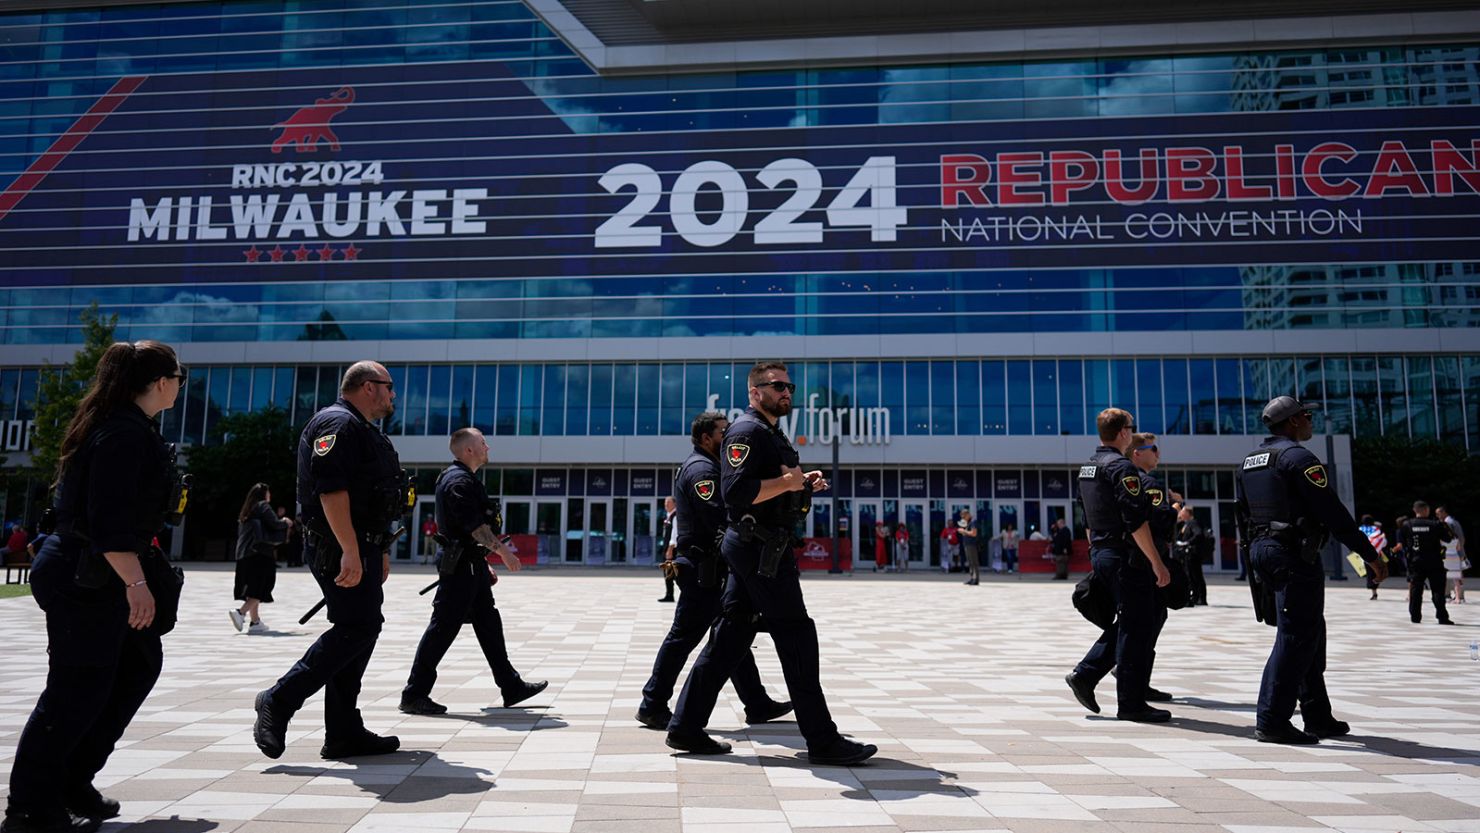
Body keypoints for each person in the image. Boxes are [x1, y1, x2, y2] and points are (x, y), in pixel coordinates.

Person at [5, 341, 186, 833]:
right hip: (86, 576)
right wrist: (137, 583)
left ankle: (71, 779)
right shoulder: (121, 434)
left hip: (99, 571)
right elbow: (107, 522)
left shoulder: (132, 428)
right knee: (75, 689)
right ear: (161, 382)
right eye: (180, 377)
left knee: (137, 664)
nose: (180, 385)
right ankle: (28, 807)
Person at [666, 361, 876, 765]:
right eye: (776, 385)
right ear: (754, 392)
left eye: (789, 386)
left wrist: (800, 484)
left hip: (759, 548)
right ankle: (823, 740)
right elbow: (736, 492)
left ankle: (685, 727)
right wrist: (788, 483)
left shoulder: (767, 432)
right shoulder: (746, 431)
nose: (786, 392)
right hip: (758, 551)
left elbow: (771, 489)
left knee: (730, 638)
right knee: (797, 636)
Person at [253, 361, 406, 762]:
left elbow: (373, 499)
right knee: (358, 627)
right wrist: (352, 551)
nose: (393, 395)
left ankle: (342, 731)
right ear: (369, 387)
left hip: (362, 546)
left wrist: (380, 549)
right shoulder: (338, 425)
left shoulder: (364, 430)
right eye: (389, 387)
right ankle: (278, 700)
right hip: (338, 547)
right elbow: (331, 492)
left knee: (361, 628)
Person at [1236, 395, 1383, 745]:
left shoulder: (1250, 462)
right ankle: (1272, 719)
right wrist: (1369, 556)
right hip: (1292, 553)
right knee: (1296, 636)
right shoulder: (1298, 457)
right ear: (1293, 422)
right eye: (1306, 416)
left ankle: (1317, 716)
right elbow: (1333, 512)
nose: (1310, 421)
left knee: (1309, 633)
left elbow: (1242, 513)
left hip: (1265, 550)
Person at [635, 411, 790, 731]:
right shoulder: (702, 470)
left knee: (732, 634)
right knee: (683, 638)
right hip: (702, 570)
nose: (729, 436)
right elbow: (723, 516)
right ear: (706, 438)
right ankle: (652, 704)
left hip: (713, 568)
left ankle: (757, 702)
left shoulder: (712, 466)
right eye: (723, 431)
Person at [400, 427, 547, 715]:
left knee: (488, 623)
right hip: (460, 566)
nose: (488, 447)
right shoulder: (458, 481)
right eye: (482, 443)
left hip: (469, 563)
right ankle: (414, 693)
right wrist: (503, 552)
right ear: (468, 450)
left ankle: (511, 685)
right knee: (443, 627)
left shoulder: (463, 478)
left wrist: (482, 565)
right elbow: (474, 526)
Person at [1065, 408, 1172, 724]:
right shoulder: (1121, 467)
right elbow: (1135, 521)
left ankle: (1089, 675)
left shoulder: (1088, 468)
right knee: (1138, 625)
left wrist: (1096, 554)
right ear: (1124, 433)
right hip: (1126, 557)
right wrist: (1157, 563)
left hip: (1103, 551)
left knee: (1137, 619)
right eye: (1131, 428)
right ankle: (1128, 701)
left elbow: (1086, 518)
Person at [1127, 432, 1177, 703]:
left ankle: (1136, 677)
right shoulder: (1148, 483)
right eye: (1153, 449)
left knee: (1144, 620)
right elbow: (1159, 521)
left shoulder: (1130, 481)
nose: (1158, 454)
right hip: (1148, 560)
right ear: (1137, 453)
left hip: (1132, 560)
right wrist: (1176, 511)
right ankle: (1133, 677)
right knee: (1151, 619)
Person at [231, 482, 292, 633]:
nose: (269, 495)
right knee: (263, 586)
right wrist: (285, 521)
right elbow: (275, 524)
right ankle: (240, 613)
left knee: (253, 587)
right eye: (268, 492)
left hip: (245, 554)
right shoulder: (263, 506)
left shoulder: (248, 509)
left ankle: (255, 622)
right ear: (263, 494)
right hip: (260, 553)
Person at [1399, 501, 1454, 625]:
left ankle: (1415, 616)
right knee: (1438, 590)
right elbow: (1448, 539)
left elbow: (1401, 542)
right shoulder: (1436, 524)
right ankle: (1442, 617)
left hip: (1415, 562)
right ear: (1426, 510)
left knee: (1416, 590)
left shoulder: (1407, 525)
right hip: (1434, 561)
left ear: (1415, 510)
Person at [1175, 507, 1209, 606]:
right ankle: (1195, 596)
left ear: (1187, 513)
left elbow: (1198, 534)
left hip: (1193, 554)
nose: (1180, 513)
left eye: (1182, 511)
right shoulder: (1185, 524)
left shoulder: (1193, 523)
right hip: (1188, 554)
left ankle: (1201, 598)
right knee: (1191, 575)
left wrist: (1187, 543)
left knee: (1196, 575)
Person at [1436, 505, 1466, 603]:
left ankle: (1449, 595)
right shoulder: (1454, 522)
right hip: (1455, 554)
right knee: (1456, 577)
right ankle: (1458, 596)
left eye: (1438, 513)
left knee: (1449, 576)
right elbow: (1461, 540)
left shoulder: (1448, 523)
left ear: (1443, 512)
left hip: (1450, 554)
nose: (1437, 515)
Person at [1358, 515, 1387, 600]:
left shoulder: (1360, 529)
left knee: (1370, 572)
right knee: (1377, 570)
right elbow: (1382, 541)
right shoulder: (1376, 530)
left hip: (1365, 554)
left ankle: (1373, 590)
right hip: (1377, 553)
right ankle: (1375, 587)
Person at [657, 496, 677, 602]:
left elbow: (675, 534)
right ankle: (669, 595)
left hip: (672, 550)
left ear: (674, 504)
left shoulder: (675, 516)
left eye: (668, 503)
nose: (666, 505)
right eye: (665, 503)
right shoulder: (668, 516)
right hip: (667, 548)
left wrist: (670, 549)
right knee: (667, 573)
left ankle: (670, 595)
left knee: (671, 573)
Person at [959, 509, 981, 585]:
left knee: (974, 562)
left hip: (972, 545)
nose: (963, 519)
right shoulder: (968, 522)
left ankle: (976, 579)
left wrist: (963, 531)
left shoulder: (973, 521)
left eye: (964, 516)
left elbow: (974, 533)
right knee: (970, 563)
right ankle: (972, 578)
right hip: (967, 545)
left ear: (968, 514)